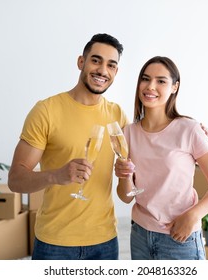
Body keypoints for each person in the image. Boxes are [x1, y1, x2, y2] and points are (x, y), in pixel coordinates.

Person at [8, 33, 128, 260]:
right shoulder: (46, 111)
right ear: (81, 62)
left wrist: (190, 127)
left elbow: (147, 142)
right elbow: (15, 179)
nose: (103, 70)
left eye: (111, 65)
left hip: (105, 241)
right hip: (55, 243)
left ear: (115, 72)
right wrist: (56, 175)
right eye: (96, 60)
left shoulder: (117, 114)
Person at [114, 56, 208, 260]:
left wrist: (193, 215)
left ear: (175, 87)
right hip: (140, 235)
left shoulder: (190, 129)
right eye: (145, 79)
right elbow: (126, 196)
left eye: (161, 81)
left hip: (179, 237)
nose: (150, 86)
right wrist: (124, 176)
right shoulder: (128, 133)